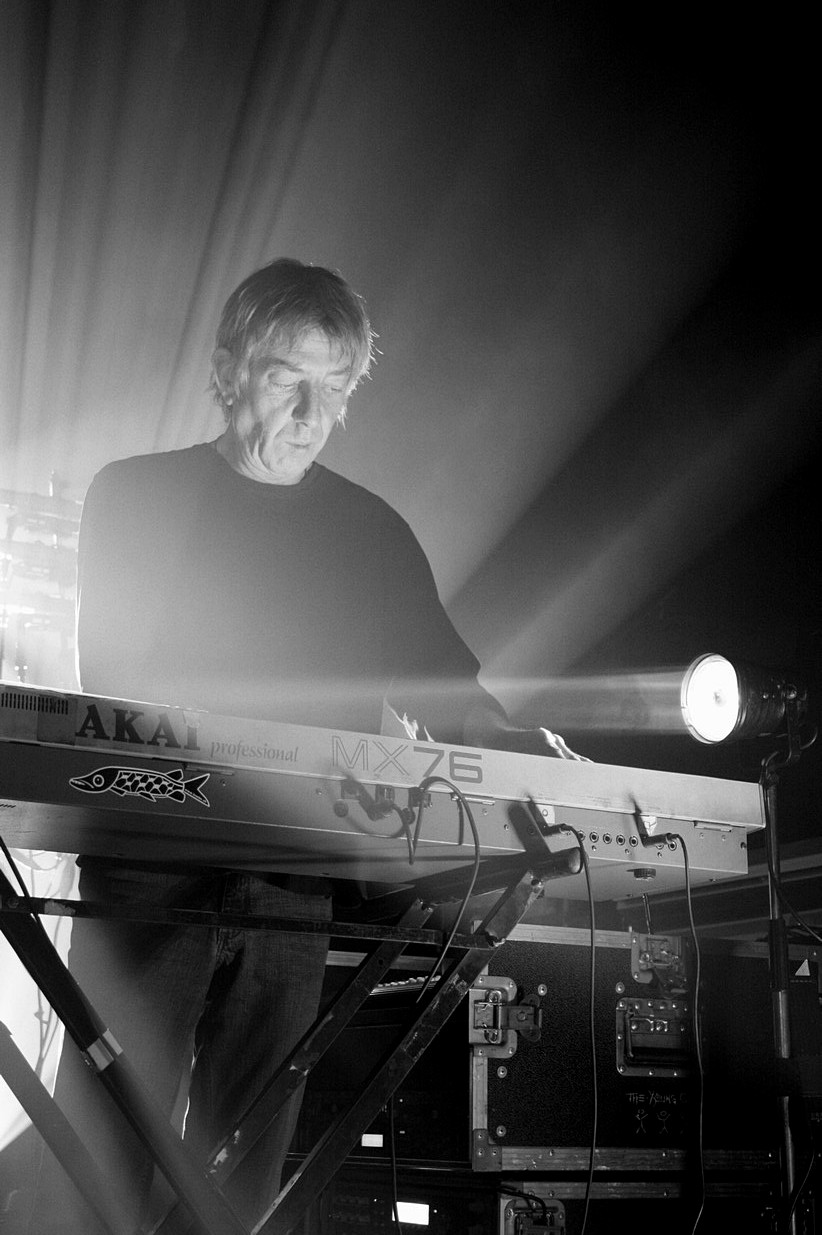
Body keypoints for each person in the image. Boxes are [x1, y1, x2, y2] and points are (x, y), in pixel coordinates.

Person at [24, 258, 581, 1234]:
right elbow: (120, 685)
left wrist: (520, 748)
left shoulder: (371, 532)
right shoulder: (137, 496)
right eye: (289, 378)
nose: (312, 413)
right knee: (98, 1170)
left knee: (243, 1182)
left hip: (293, 883)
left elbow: (448, 688)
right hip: (153, 869)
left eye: (336, 387)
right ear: (229, 369)